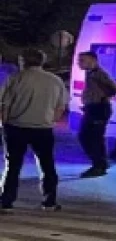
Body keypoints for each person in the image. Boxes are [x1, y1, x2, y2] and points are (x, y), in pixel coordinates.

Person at [0, 49, 69, 211]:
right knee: (47, 164)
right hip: (43, 128)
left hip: (16, 127)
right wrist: (49, 120)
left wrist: (3, 124)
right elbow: (60, 107)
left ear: (23, 61)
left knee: (13, 165)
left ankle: (7, 201)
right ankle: (49, 201)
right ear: (42, 61)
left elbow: (4, 105)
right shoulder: (55, 80)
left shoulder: (15, 78)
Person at [77, 51, 116, 177]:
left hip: (99, 109)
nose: (79, 63)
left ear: (93, 60)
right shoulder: (90, 73)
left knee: (91, 138)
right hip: (92, 108)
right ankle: (100, 163)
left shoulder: (99, 74)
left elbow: (115, 88)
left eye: (82, 60)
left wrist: (101, 99)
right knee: (89, 137)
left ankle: (99, 166)